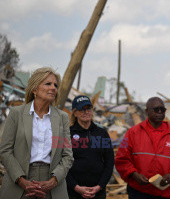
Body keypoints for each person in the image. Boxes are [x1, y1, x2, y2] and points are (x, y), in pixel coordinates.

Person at [0, 66, 74, 199]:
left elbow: (67, 155)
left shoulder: (62, 118)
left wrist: (54, 181)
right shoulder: (16, 114)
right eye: (48, 84)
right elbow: (5, 151)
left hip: (52, 184)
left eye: (55, 85)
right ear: (34, 89)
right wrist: (22, 181)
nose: (53, 88)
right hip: (19, 182)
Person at [115, 97, 170, 199]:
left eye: (162, 110)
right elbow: (121, 158)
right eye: (156, 109)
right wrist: (134, 174)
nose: (159, 112)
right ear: (147, 111)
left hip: (166, 193)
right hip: (138, 192)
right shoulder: (132, 133)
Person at [66, 95, 114, 199]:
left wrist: (99, 186)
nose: (86, 112)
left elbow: (109, 162)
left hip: (97, 193)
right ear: (75, 113)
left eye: (88, 108)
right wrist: (76, 187)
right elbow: (62, 164)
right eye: (82, 109)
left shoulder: (102, 133)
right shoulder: (67, 134)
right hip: (73, 193)